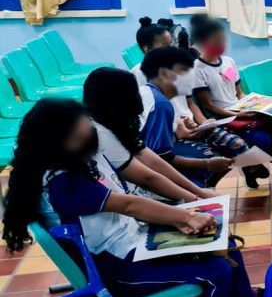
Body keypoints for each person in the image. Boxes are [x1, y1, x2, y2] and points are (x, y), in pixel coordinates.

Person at [1, 99, 272, 297]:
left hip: (132, 244)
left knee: (224, 243)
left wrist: (185, 212)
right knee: (215, 273)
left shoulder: (74, 160)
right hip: (118, 271)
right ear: (59, 142)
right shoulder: (63, 184)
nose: (90, 134)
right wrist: (182, 218)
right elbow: (129, 204)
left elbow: (133, 196)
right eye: (81, 133)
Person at [133, 17, 254, 181]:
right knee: (211, 156)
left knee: (238, 145)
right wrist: (179, 131)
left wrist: (203, 122)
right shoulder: (140, 75)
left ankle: (223, 179)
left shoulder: (178, 65)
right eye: (165, 45)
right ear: (147, 48)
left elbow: (189, 102)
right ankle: (203, 188)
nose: (172, 48)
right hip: (172, 133)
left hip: (194, 126)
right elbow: (149, 116)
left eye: (172, 42)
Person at [84, 67, 217, 203]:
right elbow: (147, 178)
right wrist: (196, 199)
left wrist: (199, 193)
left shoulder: (115, 123)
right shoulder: (100, 134)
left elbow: (152, 160)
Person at [189, 17, 272, 160]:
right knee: (261, 139)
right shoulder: (197, 69)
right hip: (222, 117)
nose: (221, 45)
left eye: (222, 40)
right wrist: (237, 115)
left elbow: (240, 92)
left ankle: (254, 165)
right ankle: (252, 166)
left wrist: (254, 104)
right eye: (217, 41)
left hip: (240, 110)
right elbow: (209, 106)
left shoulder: (228, 61)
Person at [140, 47, 234, 188]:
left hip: (151, 156)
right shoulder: (161, 104)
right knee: (211, 156)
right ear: (164, 74)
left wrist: (179, 133)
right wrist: (208, 164)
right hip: (149, 169)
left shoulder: (149, 93)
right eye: (185, 71)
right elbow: (160, 157)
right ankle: (196, 193)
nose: (192, 76)